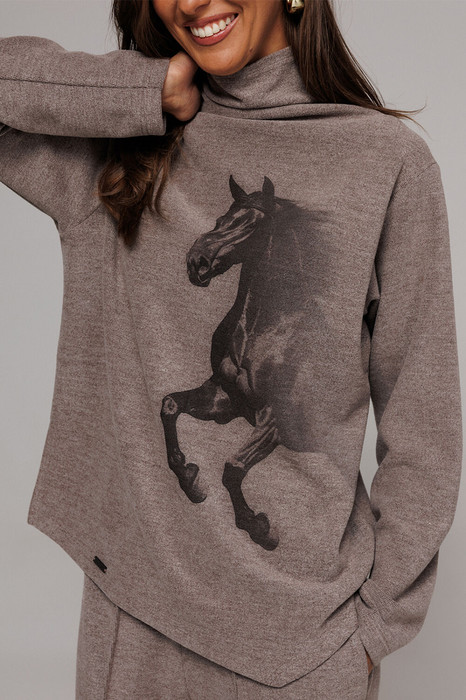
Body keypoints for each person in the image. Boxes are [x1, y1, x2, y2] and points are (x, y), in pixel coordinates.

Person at [1, 0, 462, 698]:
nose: (191, 2)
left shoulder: (385, 162)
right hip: (135, 627)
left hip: (300, 654)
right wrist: (145, 90)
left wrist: (373, 631)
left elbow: (425, 427)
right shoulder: (126, 148)